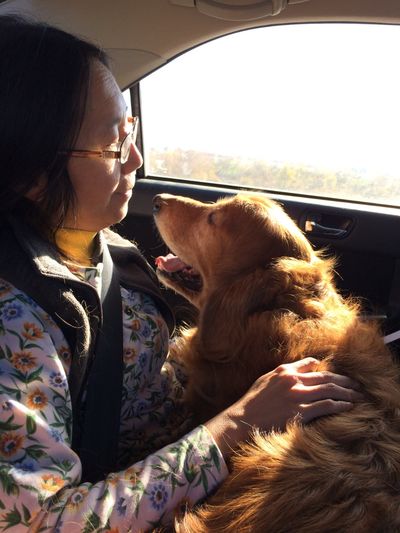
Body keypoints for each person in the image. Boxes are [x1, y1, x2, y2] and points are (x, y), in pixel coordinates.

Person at [0, 15, 363, 532]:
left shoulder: (103, 245)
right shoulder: (13, 323)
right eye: (111, 145)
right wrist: (236, 424)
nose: (137, 159)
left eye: (131, 132)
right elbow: (40, 523)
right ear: (35, 174)